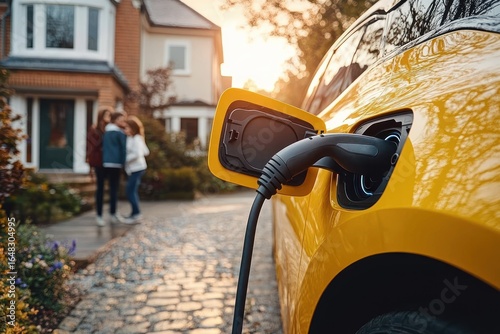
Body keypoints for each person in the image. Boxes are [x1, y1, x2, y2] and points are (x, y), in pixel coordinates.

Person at [86, 106, 112, 226]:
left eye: (110, 115)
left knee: (112, 189)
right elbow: (91, 148)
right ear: (101, 116)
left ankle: (112, 213)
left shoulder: (112, 129)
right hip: (99, 163)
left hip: (111, 163)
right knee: (100, 189)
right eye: (106, 115)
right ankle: (99, 215)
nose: (108, 118)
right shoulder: (94, 130)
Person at [123, 116, 150, 224]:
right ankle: (134, 213)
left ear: (132, 128)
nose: (125, 130)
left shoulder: (137, 138)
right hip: (133, 169)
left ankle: (137, 214)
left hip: (137, 168)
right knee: (132, 191)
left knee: (130, 191)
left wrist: (124, 159)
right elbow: (146, 151)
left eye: (127, 128)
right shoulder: (132, 138)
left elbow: (138, 153)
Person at [102, 111, 127, 225]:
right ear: (115, 120)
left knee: (106, 189)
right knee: (114, 189)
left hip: (106, 163)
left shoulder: (106, 132)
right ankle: (113, 213)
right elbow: (123, 149)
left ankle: (106, 213)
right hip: (116, 164)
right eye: (121, 119)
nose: (123, 122)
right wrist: (123, 163)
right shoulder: (120, 134)